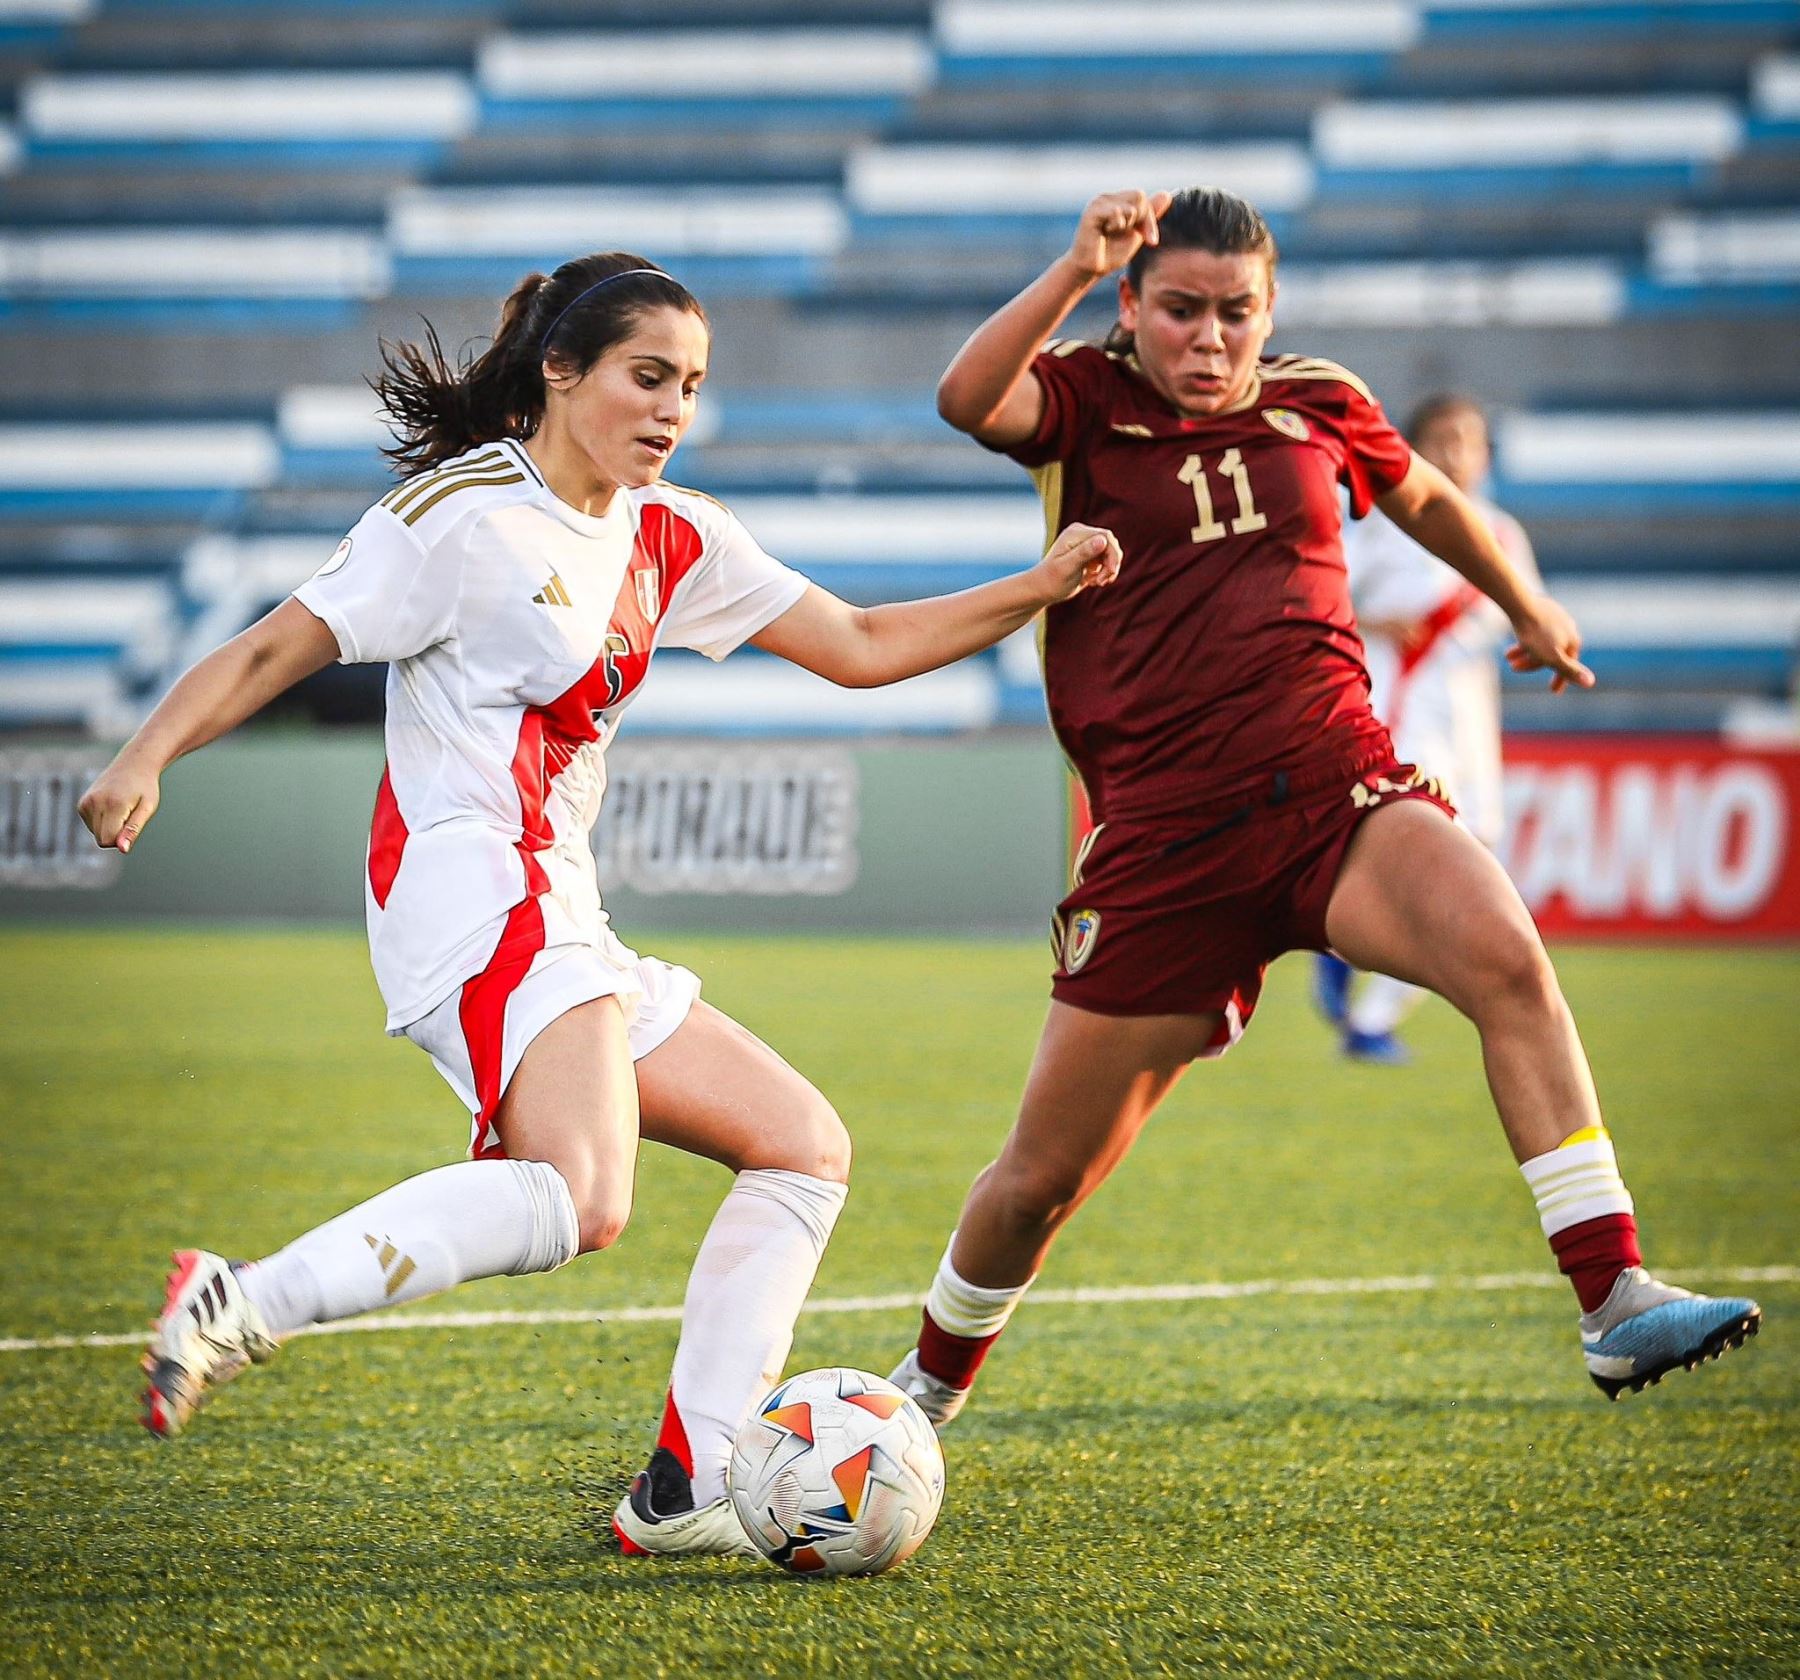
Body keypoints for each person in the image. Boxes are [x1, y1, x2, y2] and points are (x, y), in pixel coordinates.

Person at [79, 252, 1121, 1557]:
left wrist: (1036, 586)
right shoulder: (461, 515)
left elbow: (858, 647)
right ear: (560, 374)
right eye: (647, 377)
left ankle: (685, 1493)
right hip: (468, 882)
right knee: (582, 1193)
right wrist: (144, 757)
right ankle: (245, 1299)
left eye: (690, 384)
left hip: (560, 900)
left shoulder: (673, 530)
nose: (672, 406)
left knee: (802, 1145)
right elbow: (277, 646)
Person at [885, 187, 1761, 1426]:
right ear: (1132, 308)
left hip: (1337, 788)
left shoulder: (1319, 401)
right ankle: (921, 1391)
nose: (1209, 338)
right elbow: (966, 398)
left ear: (1270, 311)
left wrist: (1524, 602)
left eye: (1235, 312)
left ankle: (1612, 1295)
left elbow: (1430, 503)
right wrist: (1073, 266)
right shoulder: (1086, 400)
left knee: (1509, 959)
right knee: (1038, 1182)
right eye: (1179, 309)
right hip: (1164, 841)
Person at [1313, 393, 1542, 1064]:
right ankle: (1355, 979)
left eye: (1469, 440)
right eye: (1440, 440)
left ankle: (1355, 983)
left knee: (1484, 847)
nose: (1456, 454)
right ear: (1410, 451)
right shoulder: (1385, 527)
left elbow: (1525, 613)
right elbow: (1324, 604)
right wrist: (1375, 623)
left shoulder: (1502, 536)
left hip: (1472, 716)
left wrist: (1537, 636)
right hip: (1402, 711)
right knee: (1434, 856)